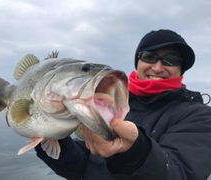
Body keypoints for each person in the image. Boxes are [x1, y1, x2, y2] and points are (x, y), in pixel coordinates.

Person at [35, 29, 211, 180]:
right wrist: (45, 130)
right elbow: (81, 165)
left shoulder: (201, 117)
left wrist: (135, 153)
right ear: (138, 62)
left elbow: (179, 174)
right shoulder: (110, 104)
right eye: (149, 57)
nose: (157, 68)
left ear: (181, 69)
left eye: (170, 60)